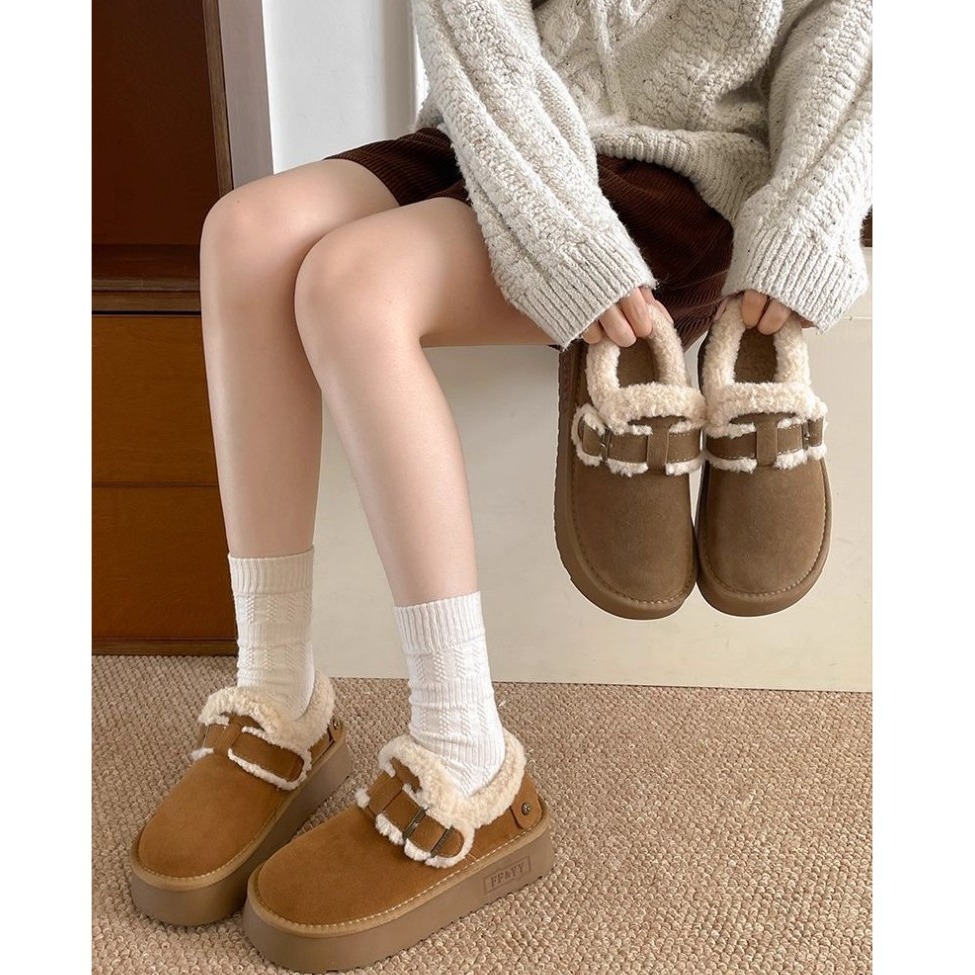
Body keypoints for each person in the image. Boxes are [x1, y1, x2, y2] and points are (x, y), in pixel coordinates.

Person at [128, 0, 871, 968]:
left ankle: (466, 753)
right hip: (495, 130)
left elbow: (850, 35)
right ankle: (279, 690)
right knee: (244, 230)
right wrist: (561, 233)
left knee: (351, 285)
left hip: (690, 167)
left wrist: (802, 230)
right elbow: (470, 24)